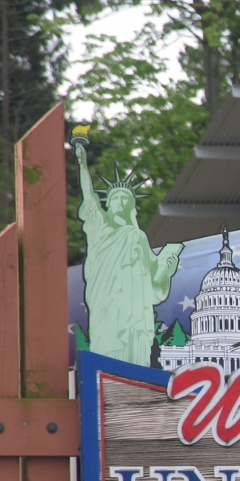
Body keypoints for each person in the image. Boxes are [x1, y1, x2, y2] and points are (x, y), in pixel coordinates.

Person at [74, 137, 182, 365]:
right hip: (107, 296)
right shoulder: (100, 228)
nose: (121, 202)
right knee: (108, 340)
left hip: (135, 303)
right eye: (116, 198)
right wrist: (82, 164)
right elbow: (89, 196)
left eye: (126, 199)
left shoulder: (137, 236)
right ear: (108, 204)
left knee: (135, 345)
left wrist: (167, 271)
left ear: (132, 206)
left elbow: (152, 280)